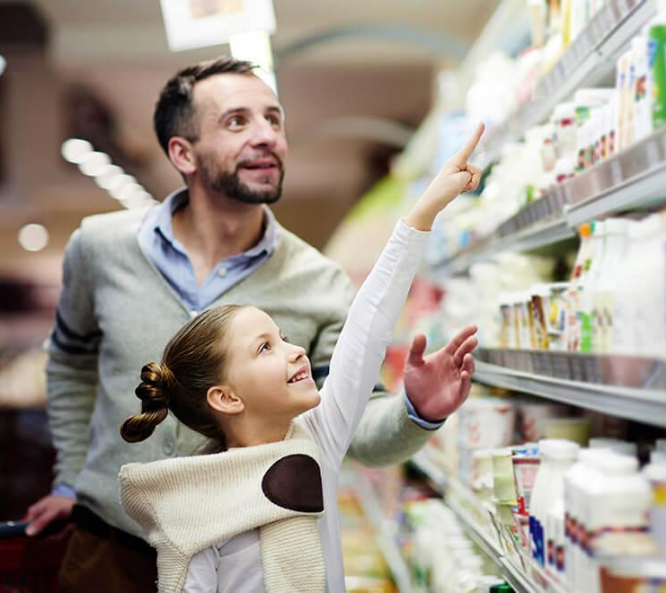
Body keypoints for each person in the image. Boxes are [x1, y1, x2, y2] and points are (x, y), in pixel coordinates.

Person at [23, 57, 483, 593]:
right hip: (105, 541)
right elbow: (70, 364)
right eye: (238, 121)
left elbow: (364, 352)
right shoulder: (97, 249)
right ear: (183, 152)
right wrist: (68, 479)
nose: (267, 136)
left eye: (274, 118)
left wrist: (415, 412)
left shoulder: (318, 289)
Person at [117, 126, 483, 592]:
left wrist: (424, 211)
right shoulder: (195, 507)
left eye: (283, 336)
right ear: (226, 397)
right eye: (265, 348)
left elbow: (367, 326)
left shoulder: (316, 439)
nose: (294, 351)